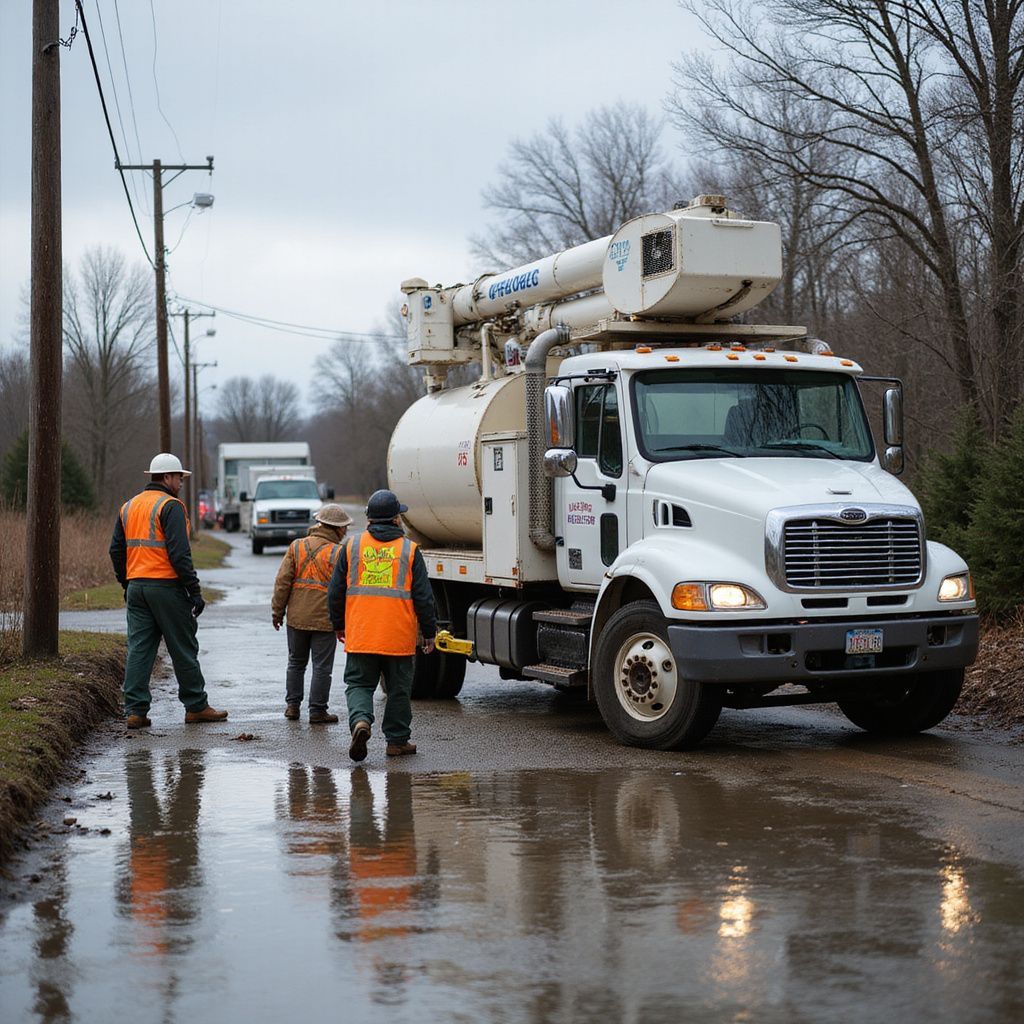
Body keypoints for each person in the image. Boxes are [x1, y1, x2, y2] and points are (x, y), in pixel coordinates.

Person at [109, 453, 228, 728]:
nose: (181, 483)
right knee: (183, 647)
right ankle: (196, 706)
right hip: (166, 588)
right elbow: (179, 553)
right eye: (178, 478)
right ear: (166, 477)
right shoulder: (170, 506)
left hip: (137, 587)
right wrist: (194, 590)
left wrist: (127, 582)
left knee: (139, 648)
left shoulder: (129, 506)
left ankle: (136, 711)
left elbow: (115, 550)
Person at [327, 489, 436, 761]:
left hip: (362, 633)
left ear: (369, 519)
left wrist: (338, 624)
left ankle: (361, 722)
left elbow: (334, 592)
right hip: (398, 637)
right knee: (398, 689)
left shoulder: (352, 547)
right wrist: (429, 633)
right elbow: (424, 597)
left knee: (359, 684)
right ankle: (397, 742)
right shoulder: (409, 550)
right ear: (396, 519)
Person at [272, 503, 353, 723]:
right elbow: (346, 589)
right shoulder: (339, 552)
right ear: (336, 529)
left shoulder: (297, 546)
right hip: (325, 621)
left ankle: (292, 706)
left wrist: (277, 612)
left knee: (296, 663)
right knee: (322, 667)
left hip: (296, 618)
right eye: (344, 528)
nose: (345, 531)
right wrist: (344, 620)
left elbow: (282, 582)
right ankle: (317, 711)